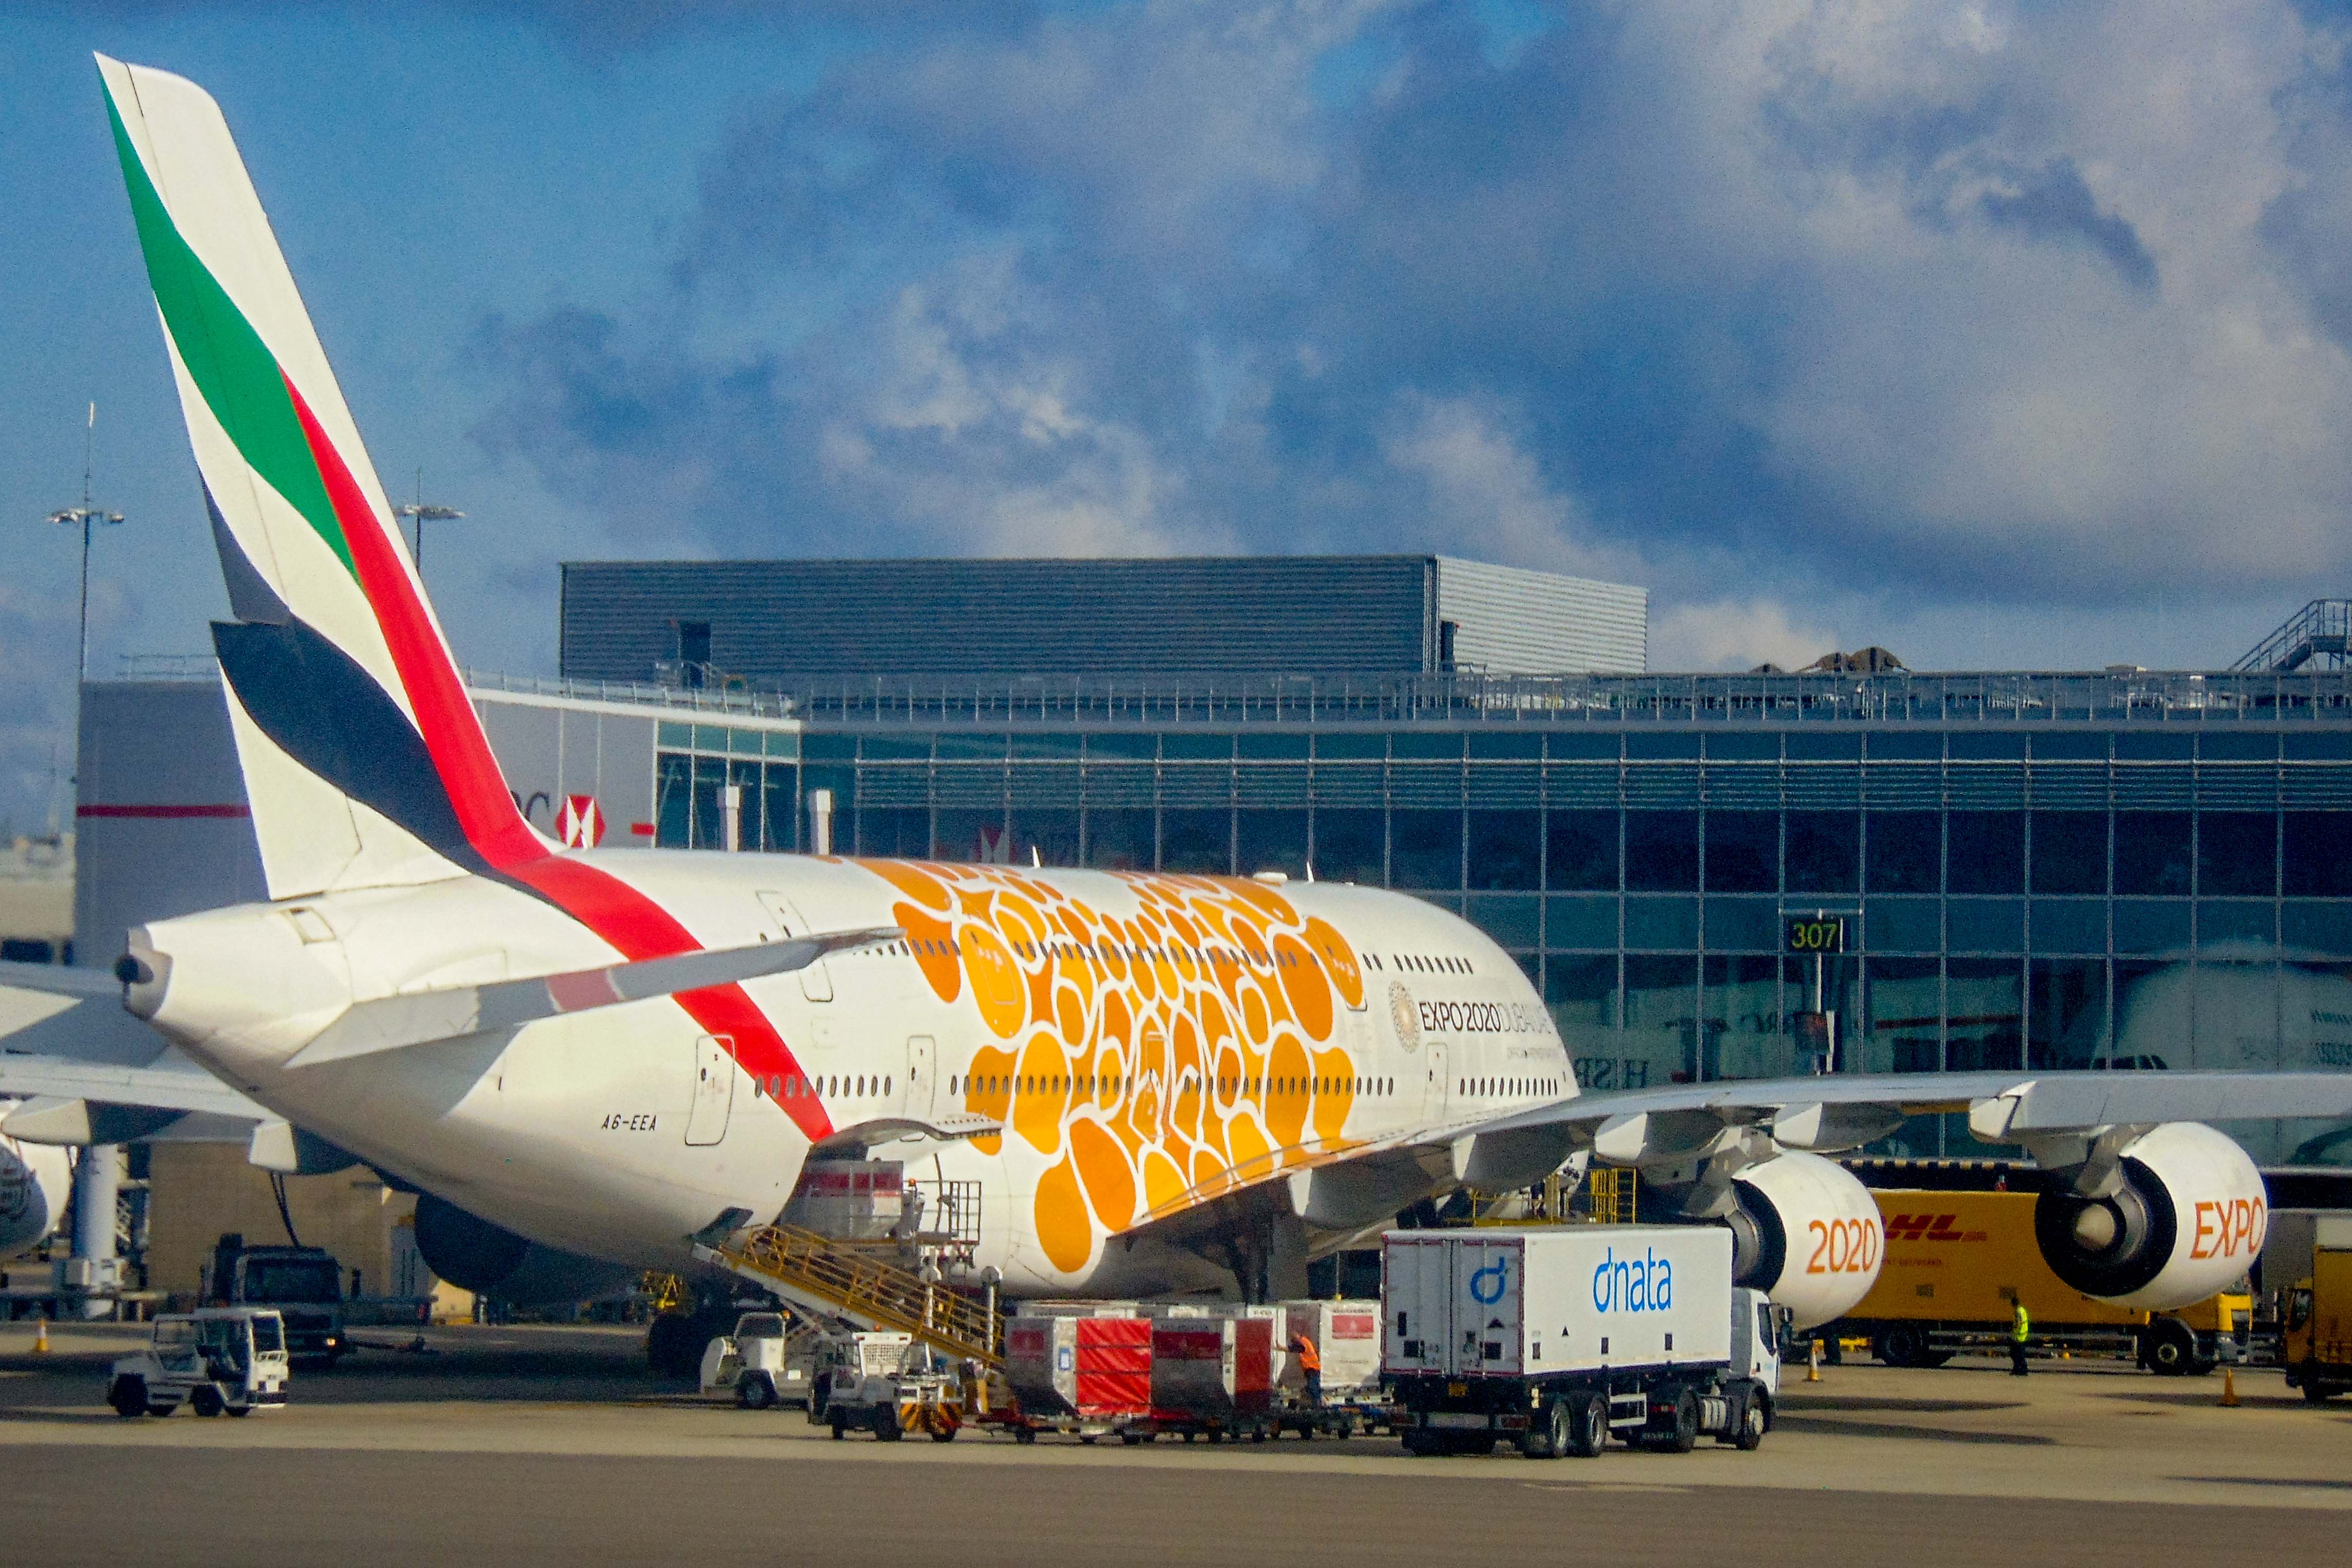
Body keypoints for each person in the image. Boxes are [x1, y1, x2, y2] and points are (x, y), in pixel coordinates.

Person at [1290, 1329, 1322, 1406]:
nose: (1293, 1342)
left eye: (1293, 1340)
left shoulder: (1303, 1344)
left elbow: (1294, 1349)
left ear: (1296, 1338)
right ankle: (1316, 1403)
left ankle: (1317, 1404)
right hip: (1313, 1368)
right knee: (1313, 1387)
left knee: (1313, 1387)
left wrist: (1280, 1348)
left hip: (1312, 1368)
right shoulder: (1305, 1341)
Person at [2010, 1298, 2031, 1377]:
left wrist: (2015, 1330)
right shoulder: (2023, 1310)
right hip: (2023, 1335)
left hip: (2019, 1336)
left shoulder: (2018, 1311)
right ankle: (2020, 1369)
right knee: (2018, 1354)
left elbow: (2018, 1323)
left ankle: (2021, 1370)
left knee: (2016, 1354)